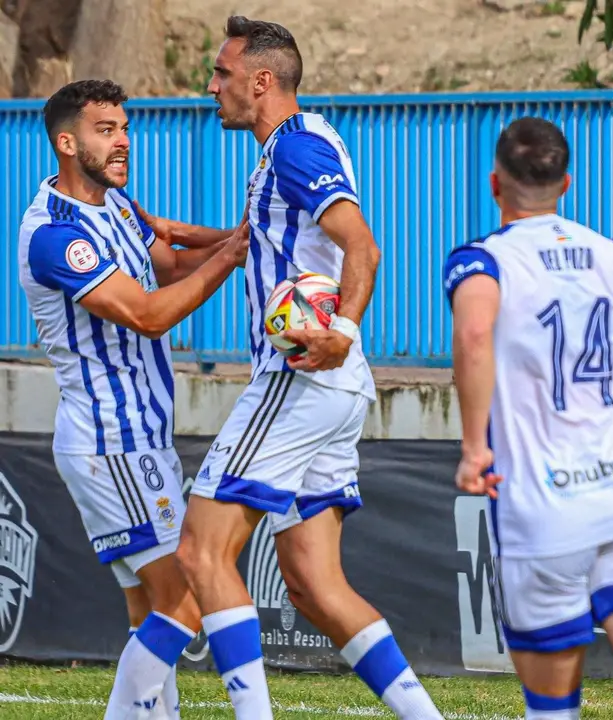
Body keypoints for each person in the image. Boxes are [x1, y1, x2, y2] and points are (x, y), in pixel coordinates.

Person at [148, 14, 444, 720]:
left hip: (301, 377)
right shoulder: (295, 147)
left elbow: (361, 247)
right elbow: (269, 239)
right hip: (334, 387)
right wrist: (189, 234)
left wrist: (341, 328)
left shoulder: (292, 151)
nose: (209, 86)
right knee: (312, 585)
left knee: (199, 552)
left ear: (260, 81)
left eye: (221, 74)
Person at [18, 79, 249, 719]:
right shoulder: (54, 234)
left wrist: (243, 234)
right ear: (67, 143)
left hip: (139, 436)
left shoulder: (115, 206)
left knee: (150, 609)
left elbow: (168, 268)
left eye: (123, 128)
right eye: (105, 131)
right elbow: (147, 314)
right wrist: (231, 255)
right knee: (190, 598)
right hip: (107, 439)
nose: (122, 142)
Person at [443, 116, 613, 719]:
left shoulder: (485, 259)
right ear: (566, 184)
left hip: (544, 505)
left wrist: (474, 448)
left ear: (494, 183)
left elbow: (475, 332)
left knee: (552, 706)